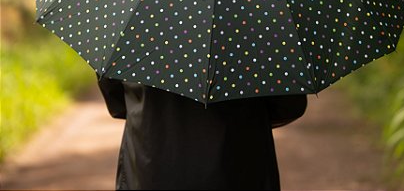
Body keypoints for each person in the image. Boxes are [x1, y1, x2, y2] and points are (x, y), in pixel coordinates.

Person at [98, 76, 307, 191]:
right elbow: (290, 105)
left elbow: (117, 104)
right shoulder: (255, 23)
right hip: (238, 173)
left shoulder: (136, 28)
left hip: (149, 171)